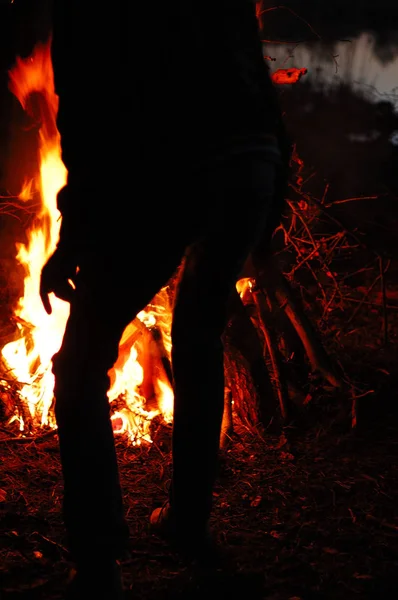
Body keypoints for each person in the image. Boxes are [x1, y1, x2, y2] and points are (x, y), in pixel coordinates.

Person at [39, 1, 291, 597]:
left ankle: (98, 561)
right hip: (249, 163)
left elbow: (85, 109)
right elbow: (252, 70)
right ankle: (188, 526)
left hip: (166, 168)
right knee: (199, 335)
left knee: (79, 368)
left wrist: (74, 235)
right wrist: (274, 183)